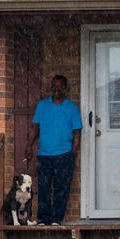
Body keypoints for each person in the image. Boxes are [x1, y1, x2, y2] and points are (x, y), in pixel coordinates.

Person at [25, 74, 82, 226]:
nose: (57, 89)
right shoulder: (42, 106)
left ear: (66, 88)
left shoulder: (72, 108)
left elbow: (77, 132)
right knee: (43, 187)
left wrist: (73, 154)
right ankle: (44, 218)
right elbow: (35, 127)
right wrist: (29, 145)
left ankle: (57, 219)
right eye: (54, 86)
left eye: (60, 86)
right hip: (44, 154)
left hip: (64, 154)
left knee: (61, 188)